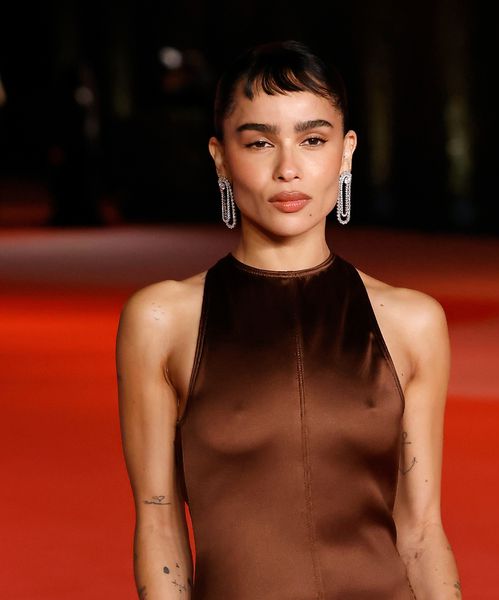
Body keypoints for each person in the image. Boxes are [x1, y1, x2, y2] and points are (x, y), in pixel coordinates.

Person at [117, 40, 461, 599]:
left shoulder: (412, 321)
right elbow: (158, 523)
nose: (288, 168)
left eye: (313, 139)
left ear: (347, 152)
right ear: (220, 157)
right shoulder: (162, 319)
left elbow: (421, 532)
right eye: (258, 142)